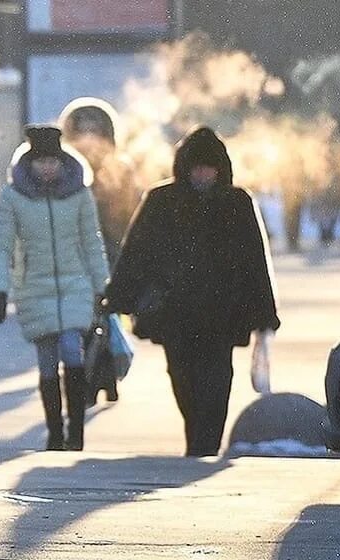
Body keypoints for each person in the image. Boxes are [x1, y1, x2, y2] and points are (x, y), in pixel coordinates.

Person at [105, 126, 280, 457]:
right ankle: (198, 442)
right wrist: (118, 296)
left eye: (209, 168)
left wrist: (264, 314)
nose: (202, 175)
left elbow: (255, 261)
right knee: (183, 382)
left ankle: (203, 446)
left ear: (220, 170)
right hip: (176, 317)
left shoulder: (236, 203)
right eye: (197, 168)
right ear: (184, 168)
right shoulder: (161, 201)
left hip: (221, 317)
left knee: (215, 384)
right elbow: (136, 253)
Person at [0, 125, 109, 452]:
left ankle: (76, 431)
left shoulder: (80, 195)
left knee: (72, 350)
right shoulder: (13, 197)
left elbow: (91, 243)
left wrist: (103, 288)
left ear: (61, 160)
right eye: (40, 161)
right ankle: (56, 432)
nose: (47, 167)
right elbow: (1, 246)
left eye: (52, 161)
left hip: (74, 285)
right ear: (29, 162)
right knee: (46, 360)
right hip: (34, 287)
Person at [59, 98, 142, 407]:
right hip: (77, 256)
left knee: (106, 318)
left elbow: (132, 214)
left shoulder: (120, 170)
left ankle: (103, 376)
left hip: (111, 254)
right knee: (85, 321)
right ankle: (95, 378)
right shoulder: (67, 171)